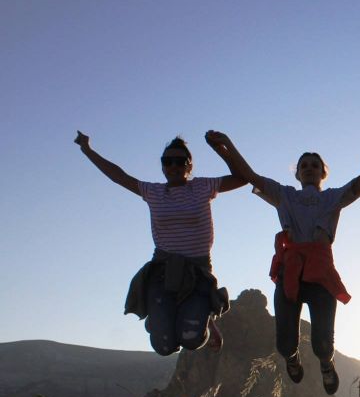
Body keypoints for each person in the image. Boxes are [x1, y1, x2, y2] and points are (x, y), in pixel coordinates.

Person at [204, 125, 360, 395]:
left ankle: (326, 364)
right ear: (297, 173)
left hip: (320, 274)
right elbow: (249, 175)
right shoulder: (284, 195)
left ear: (323, 172)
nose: (309, 168)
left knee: (323, 345)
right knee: (285, 345)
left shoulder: (333, 197)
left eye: (314, 165)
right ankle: (292, 359)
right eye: (304, 165)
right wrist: (225, 145)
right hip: (290, 272)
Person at [75, 131, 247, 355]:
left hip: (198, 272)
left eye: (179, 161)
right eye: (167, 161)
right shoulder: (153, 192)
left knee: (192, 340)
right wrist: (87, 150)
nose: (173, 166)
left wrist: (223, 147)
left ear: (189, 166)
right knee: (164, 347)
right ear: (162, 166)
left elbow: (243, 177)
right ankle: (160, 320)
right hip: (162, 272)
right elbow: (118, 176)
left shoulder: (202, 187)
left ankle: (206, 315)